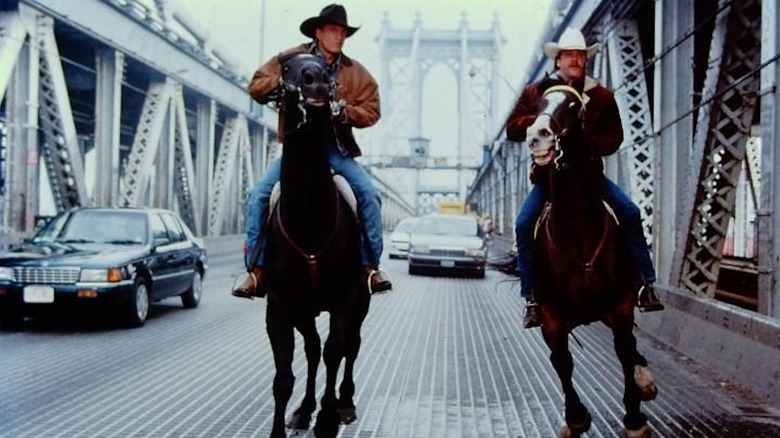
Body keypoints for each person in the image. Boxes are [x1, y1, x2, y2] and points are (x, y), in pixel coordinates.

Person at [506, 28, 664, 328]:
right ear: (558, 60)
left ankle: (645, 285)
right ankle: (531, 298)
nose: (576, 60)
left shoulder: (602, 96)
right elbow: (512, 128)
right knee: (524, 225)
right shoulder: (536, 93)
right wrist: (544, 121)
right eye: (569, 55)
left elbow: (615, 137)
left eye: (580, 55)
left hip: (588, 178)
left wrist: (584, 141)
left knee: (630, 212)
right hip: (550, 180)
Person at [232, 4, 392, 298]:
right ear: (318, 32)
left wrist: (345, 112)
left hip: (336, 149)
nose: (339, 36)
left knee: (370, 196)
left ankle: (370, 268)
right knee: (258, 195)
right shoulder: (289, 60)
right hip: (298, 149)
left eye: (343, 32)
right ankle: (256, 270)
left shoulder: (356, 73)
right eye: (333, 30)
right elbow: (256, 86)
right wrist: (280, 82)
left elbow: (372, 110)